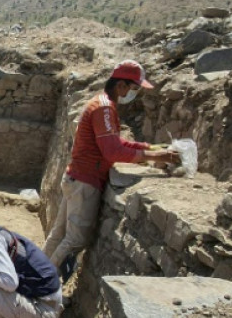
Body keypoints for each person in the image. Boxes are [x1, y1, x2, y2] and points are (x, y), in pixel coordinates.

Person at [42, 60, 181, 278]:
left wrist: (147, 148)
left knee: (58, 234)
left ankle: (34, 273)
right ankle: (42, 284)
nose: (134, 94)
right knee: (75, 239)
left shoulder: (103, 104)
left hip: (76, 178)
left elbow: (114, 142)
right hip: (85, 182)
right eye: (134, 88)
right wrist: (155, 157)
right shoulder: (104, 108)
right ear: (121, 85)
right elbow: (113, 151)